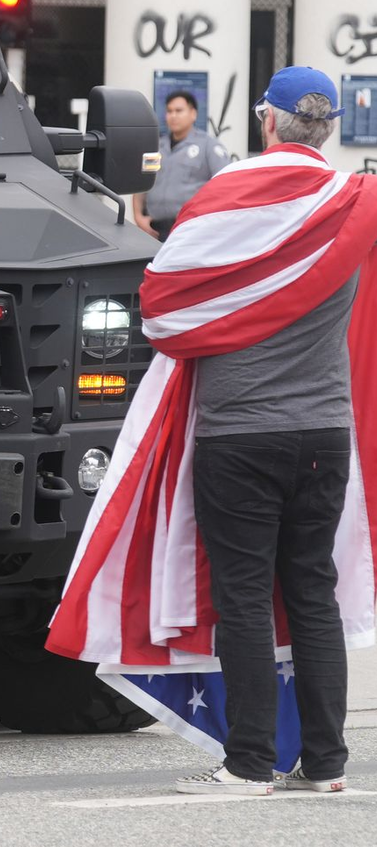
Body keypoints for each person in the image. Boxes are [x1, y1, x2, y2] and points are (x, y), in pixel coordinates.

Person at [177, 67, 357, 794]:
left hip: (240, 430)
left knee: (246, 595)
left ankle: (250, 761)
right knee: (314, 591)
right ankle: (327, 763)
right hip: (326, 431)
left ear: (267, 122)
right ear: (329, 126)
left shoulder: (225, 197)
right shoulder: (356, 203)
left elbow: (162, 307)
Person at [132, 90, 231, 240]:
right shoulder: (156, 146)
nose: (173, 116)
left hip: (190, 230)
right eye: (169, 111)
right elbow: (141, 184)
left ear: (193, 114)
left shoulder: (208, 146)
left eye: (179, 111)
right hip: (154, 230)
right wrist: (138, 217)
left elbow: (225, 186)